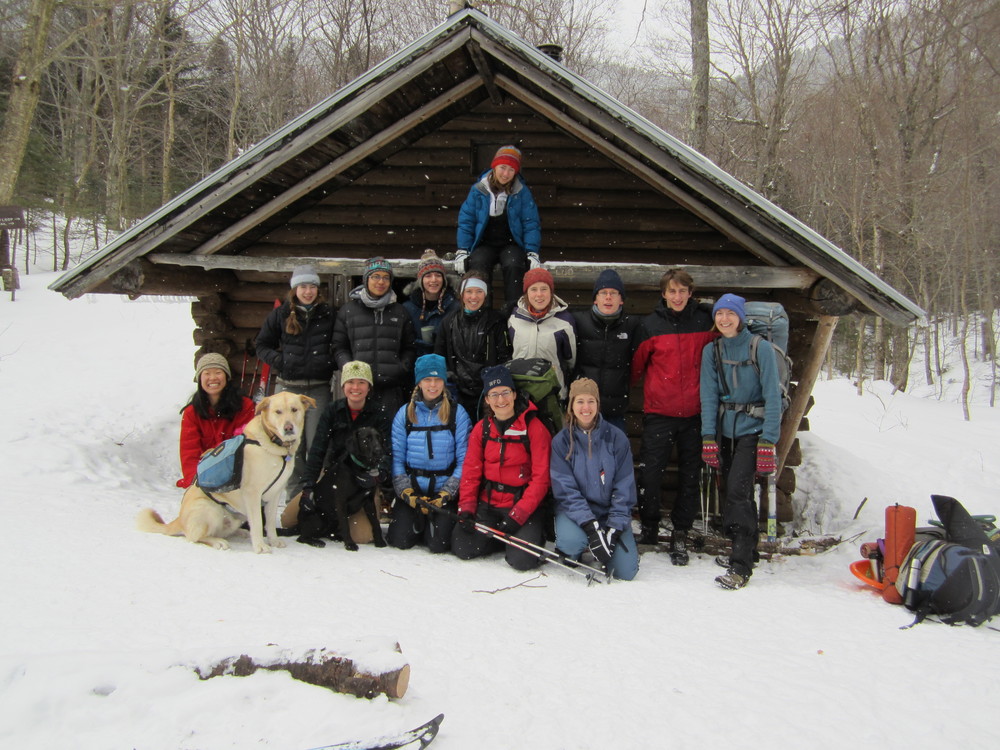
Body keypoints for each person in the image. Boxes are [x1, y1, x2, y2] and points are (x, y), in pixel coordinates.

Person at [631, 269, 717, 561]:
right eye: (672, 291)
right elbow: (636, 368)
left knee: (691, 476)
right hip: (660, 413)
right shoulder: (650, 325)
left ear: (691, 293)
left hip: (696, 414)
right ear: (663, 294)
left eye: (682, 291)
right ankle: (651, 527)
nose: (677, 297)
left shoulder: (706, 321)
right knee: (650, 475)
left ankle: (681, 531)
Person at [700, 293, 782, 590]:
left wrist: (769, 441)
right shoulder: (714, 350)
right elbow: (708, 396)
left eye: (729, 314)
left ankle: (740, 565)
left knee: (737, 491)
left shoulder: (761, 349)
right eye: (719, 314)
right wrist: (708, 436)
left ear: (740, 317)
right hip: (725, 431)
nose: (724, 319)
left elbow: (773, 395)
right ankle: (750, 549)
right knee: (738, 493)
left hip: (754, 431)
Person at [451, 365, 552, 570]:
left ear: (514, 395)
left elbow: (541, 478)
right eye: (494, 394)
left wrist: (519, 515)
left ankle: (522, 537)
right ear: (487, 399)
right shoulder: (482, 429)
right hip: (488, 505)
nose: (501, 400)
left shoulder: (534, 428)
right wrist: (468, 507)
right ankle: (501, 538)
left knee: (522, 561)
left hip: (522, 506)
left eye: (506, 392)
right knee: (463, 547)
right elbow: (471, 471)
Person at [550, 378, 639, 580]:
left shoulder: (617, 438)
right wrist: (590, 526)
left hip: (608, 511)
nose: (586, 407)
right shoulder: (562, 442)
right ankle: (580, 545)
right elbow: (565, 490)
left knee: (625, 572)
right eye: (580, 401)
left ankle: (606, 544)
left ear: (598, 404)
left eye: (591, 401)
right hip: (574, 512)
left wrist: (614, 528)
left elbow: (624, 486)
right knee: (571, 543)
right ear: (571, 405)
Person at [294, 360, 391, 546]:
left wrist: (377, 477)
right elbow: (318, 449)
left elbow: (388, 453)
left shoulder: (379, 413)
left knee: (362, 537)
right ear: (343, 386)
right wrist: (308, 487)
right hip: (334, 479)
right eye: (350, 382)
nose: (355, 387)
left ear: (369, 386)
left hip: (366, 480)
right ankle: (329, 525)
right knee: (290, 519)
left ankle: (338, 527)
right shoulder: (332, 411)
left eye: (361, 382)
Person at [254, 264, 337, 478]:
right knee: (291, 446)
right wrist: (281, 361)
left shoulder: (328, 314)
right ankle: (294, 495)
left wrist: (328, 363)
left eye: (312, 286)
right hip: (287, 389)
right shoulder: (280, 314)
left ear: (318, 290)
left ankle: (317, 491)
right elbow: (262, 345)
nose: (308, 292)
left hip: (318, 389)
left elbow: (340, 343)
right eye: (303, 287)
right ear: (294, 289)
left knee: (317, 442)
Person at [388, 354, 472, 552]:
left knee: (438, 545)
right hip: (414, 489)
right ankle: (415, 520)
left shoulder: (456, 413)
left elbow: (464, 460)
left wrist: (448, 492)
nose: (433, 385)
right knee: (400, 540)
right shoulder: (404, 414)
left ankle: (433, 524)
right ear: (419, 383)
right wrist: (405, 491)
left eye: (437, 379)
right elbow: (397, 458)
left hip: (442, 491)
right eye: (427, 379)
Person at [455, 145, 541, 308]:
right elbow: (467, 221)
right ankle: (483, 311)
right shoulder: (478, 190)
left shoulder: (521, 192)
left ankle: (514, 311)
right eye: (503, 168)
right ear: (494, 166)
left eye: (511, 170)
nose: (506, 174)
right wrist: (462, 250)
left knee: (514, 265)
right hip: (484, 243)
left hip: (511, 243)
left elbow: (530, 223)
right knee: (478, 264)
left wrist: (532, 252)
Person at [333, 257, 417, 422]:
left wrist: (402, 367)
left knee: (389, 440)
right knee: (359, 439)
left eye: (386, 277)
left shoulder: (400, 312)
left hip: (391, 389)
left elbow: (409, 347)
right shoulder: (348, 311)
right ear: (366, 279)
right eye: (375, 276)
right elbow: (339, 347)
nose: (381, 282)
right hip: (359, 389)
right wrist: (349, 369)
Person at [434, 270, 512, 422]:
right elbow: (439, 355)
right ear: (461, 294)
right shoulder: (449, 322)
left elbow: (504, 357)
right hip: (457, 391)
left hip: (488, 392)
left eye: (479, 291)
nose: (474, 297)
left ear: (485, 294)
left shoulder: (496, 322)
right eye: (469, 291)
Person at [572, 269, 641, 431]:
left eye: (613, 293)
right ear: (595, 299)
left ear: (621, 300)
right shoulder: (578, 321)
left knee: (614, 454)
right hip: (584, 409)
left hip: (614, 410)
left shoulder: (632, 325)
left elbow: (638, 362)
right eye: (603, 293)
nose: (608, 297)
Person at [177, 352, 256, 488]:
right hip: (205, 476)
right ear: (199, 378)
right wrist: (195, 482)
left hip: (238, 476)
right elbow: (189, 452)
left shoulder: (245, 406)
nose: (213, 378)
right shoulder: (191, 412)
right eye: (207, 373)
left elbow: (244, 445)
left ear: (227, 376)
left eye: (218, 372)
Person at [508, 266, 576, 401]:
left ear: (551, 292)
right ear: (526, 293)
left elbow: (571, 361)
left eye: (544, 289)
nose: (539, 294)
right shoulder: (514, 319)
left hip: (552, 392)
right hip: (521, 392)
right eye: (533, 289)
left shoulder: (564, 321)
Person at [403, 249, 458, 357]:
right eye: (428, 276)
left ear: (444, 279)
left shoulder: (455, 307)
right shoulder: (407, 308)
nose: (434, 280)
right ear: (421, 280)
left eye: (438, 275)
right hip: (416, 364)